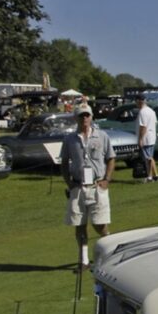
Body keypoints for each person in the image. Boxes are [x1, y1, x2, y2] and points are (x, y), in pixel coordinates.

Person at [60, 102, 115, 269]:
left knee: (100, 224)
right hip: (78, 186)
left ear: (91, 117)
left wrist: (107, 179)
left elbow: (111, 158)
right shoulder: (70, 139)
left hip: (97, 185)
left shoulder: (102, 136)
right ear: (76, 118)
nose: (84, 118)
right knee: (80, 224)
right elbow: (63, 161)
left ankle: (110, 253)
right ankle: (83, 260)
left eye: (87, 115)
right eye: (81, 115)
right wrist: (69, 182)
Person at [136, 95, 158, 182]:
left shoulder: (142, 112)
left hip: (146, 138)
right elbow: (155, 123)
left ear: (139, 101)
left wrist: (140, 139)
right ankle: (156, 175)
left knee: (147, 158)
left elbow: (143, 126)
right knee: (150, 157)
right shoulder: (151, 111)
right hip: (151, 137)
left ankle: (149, 177)